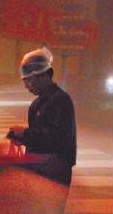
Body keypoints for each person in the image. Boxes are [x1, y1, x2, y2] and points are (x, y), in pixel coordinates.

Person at [6, 47, 76, 192]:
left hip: (53, 173)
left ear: (43, 76)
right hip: (38, 170)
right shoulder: (37, 104)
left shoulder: (61, 100)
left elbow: (58, 138)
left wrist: (25, 134)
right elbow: (39, 138)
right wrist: (21, 137)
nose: (26, 86)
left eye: (28, 80)